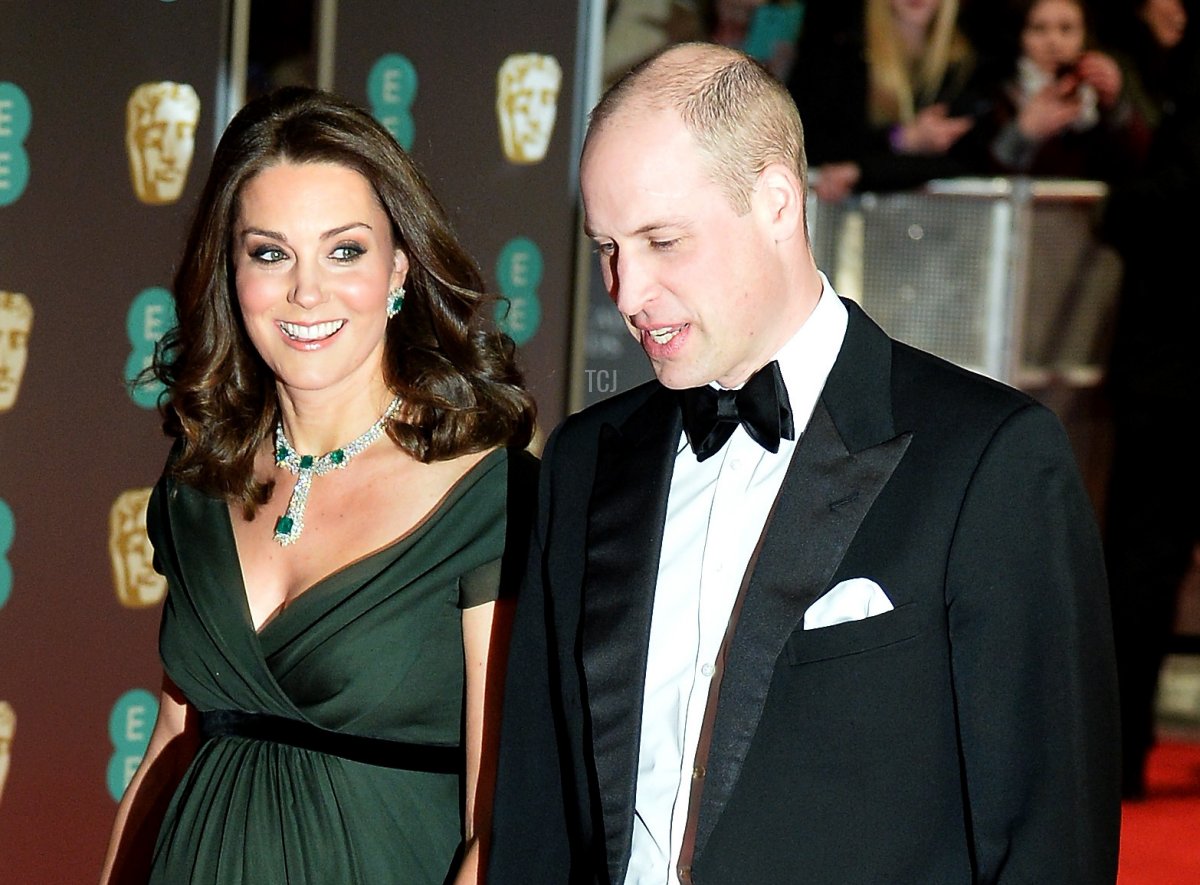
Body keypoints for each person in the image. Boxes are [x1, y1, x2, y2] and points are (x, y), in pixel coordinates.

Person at [490, 42, 1119, 884]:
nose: (626, 291)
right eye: (607, 246)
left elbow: (1049, 835)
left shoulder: (988, 460)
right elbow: (540, 806)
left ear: (778, 202)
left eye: (662, 241)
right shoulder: (582, 460)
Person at [100, 87, 537, 884]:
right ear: (231, 271)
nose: (307, 291)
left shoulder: (488, 497)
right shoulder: (199, 479)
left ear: (400, 265)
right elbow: (169, 741)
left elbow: (495, 823)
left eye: (345, 251)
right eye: (269, 252)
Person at [1097, 0, 1200, 799]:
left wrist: (1118, 193)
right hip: (1170, 369)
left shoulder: (1190, 82)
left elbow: (1159, 204)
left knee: (1141, 562)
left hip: (1174, 370)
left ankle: (1119, 752)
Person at [788, 0, 981, 202]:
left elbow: (969, 162)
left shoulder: (968, 65)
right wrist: (902, 139)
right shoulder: (840, 50)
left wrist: (864, 169)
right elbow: (813, 144)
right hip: (848, 216)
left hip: (941, 221)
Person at [980, 0, 1134, 178]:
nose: (1054, 42)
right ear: (1020, 35)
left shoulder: (1098, 93)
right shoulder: (997, 96)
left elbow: (1135, 167)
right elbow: (982, 180)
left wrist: (1115, 106)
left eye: (1066, 29)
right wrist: (1022, 132)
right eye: (1039, 29)